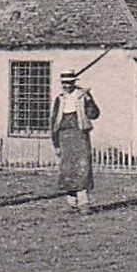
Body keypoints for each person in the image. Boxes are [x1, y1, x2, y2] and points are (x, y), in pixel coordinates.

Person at [49, 70, 100, 212]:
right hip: (64, 137)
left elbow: (94, 115)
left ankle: (83, 203)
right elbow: (54, 122)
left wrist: (89, 99)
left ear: (74, 83)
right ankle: (71, 203)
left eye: (69, 83)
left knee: (82, 168)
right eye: (64, 83)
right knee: (67, 170)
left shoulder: (82, 97)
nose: (66, 86)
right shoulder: (60, 99)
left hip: (80, 135)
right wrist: (56, 144)